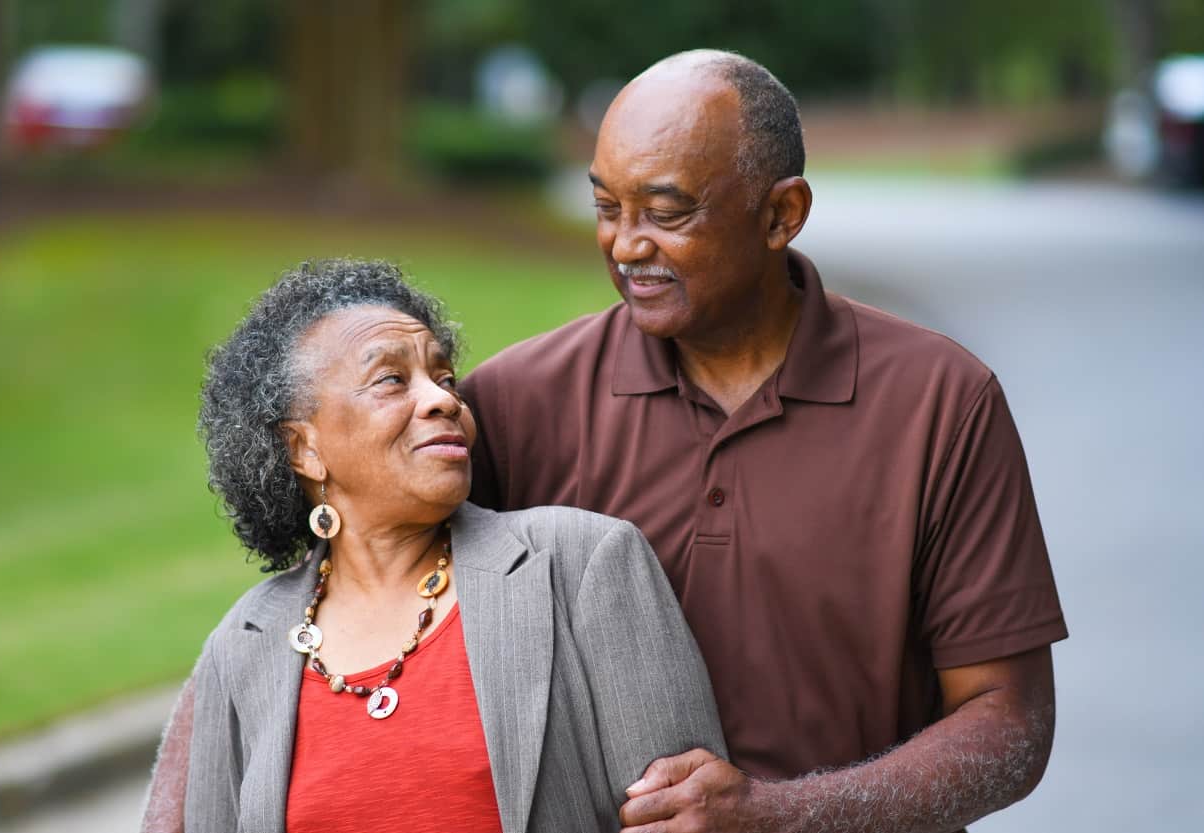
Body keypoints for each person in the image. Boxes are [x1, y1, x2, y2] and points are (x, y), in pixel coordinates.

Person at [459, 50, 1068, 833]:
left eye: (667, 212)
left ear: (782, 214)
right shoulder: (515, 401)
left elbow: (1009, 725)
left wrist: (779, 816)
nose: (625, 244)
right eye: (607, 206)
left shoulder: (941, 402)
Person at [139, 259, 726, 833]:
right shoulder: (242, 646)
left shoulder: (583, 565)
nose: (444, 400)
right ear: (304, 449)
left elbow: (687, 817)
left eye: (445, 379)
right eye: (392, 380)